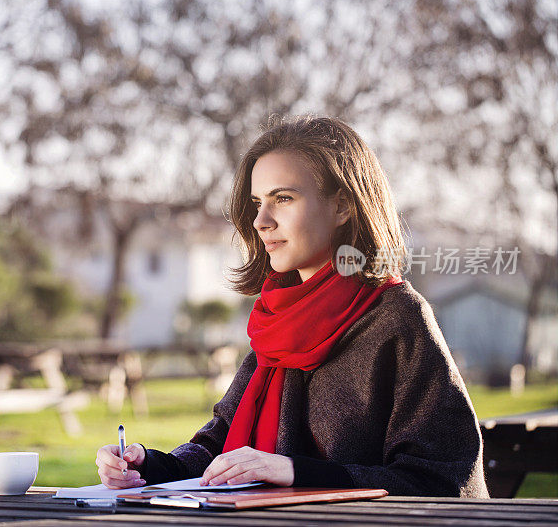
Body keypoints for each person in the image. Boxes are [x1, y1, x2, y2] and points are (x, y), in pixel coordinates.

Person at [95, 115, 489, 497]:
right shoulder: (275, 319)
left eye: (283, 198)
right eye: (257, 202)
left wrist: (295, 471)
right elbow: (220, 446)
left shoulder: (396, 318)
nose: (261, 220)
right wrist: (148, 465)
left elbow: (441, 478)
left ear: (343, 207)